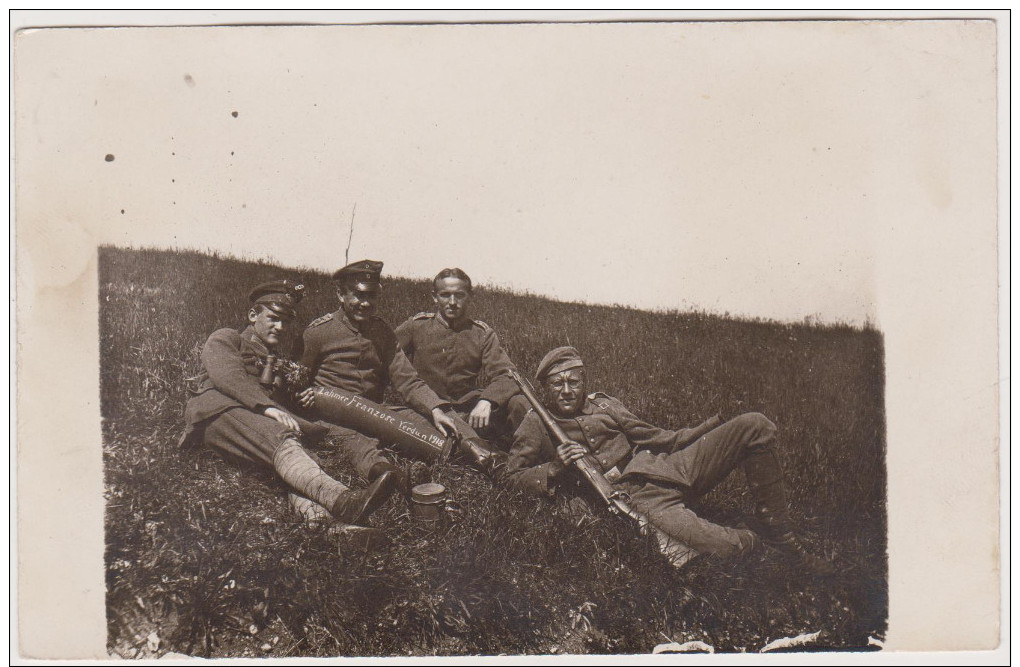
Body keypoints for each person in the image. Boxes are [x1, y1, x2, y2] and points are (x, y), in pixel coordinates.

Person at [505, 346, 835, 574]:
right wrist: (553, 467)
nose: (566, 390)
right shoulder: (536, 422)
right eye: (557, 384)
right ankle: (757, 540)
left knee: (755, 425)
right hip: (636, 499)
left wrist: (715, 425)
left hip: (662, 466)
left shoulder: (605, 405)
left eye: (573, 381)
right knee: (727, 550)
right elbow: (512, 475)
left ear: (584, 382)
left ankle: (783, 538)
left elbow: (665, 439)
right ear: (545, 389)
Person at [180, 280, 400, 542]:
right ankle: (343, 500)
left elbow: (284, 408)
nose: (280, 327)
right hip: (217, 414)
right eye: (273, 318)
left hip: (256, 433)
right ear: (253, 315)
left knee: (295, 467)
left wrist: (304, 403)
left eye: (285, 321)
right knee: (277, 436)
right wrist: (269, 407)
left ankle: (328, 528)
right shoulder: (227, 338)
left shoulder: (279, 365)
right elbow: (228, 377)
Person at [295, 260, 459, 495]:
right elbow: (297, 377)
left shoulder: (382, 332)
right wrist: (304, 396)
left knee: (425, 420)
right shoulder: (318, 332)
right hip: (335, 418)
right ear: (341, 294)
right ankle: (395, 478)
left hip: (377, 411)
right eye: (359, 295)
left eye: (372, 296)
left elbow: (406, 378)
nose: (365, 303)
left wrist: (434, 409)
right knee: (358, 444)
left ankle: (483, 456)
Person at [394, 268, 530, 475]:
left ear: (470, 297)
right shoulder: (416, 327)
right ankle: (500, 467)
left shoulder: (481, 334)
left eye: (459, 295)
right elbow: (387, 357)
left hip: (470, 410)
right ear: (434, 297)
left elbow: (508, 375)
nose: (452, 302)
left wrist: (487, 401)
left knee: (520, 403)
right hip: (429, 410)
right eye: (445, 295)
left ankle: (533, 455)